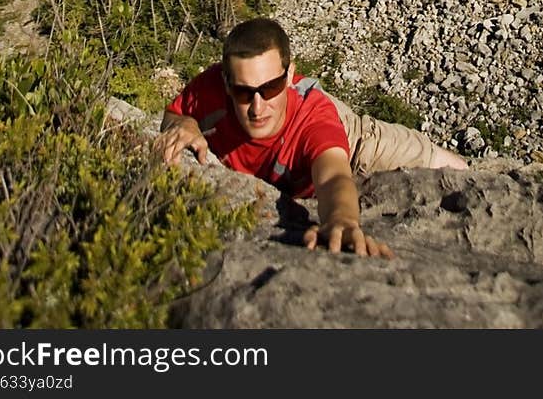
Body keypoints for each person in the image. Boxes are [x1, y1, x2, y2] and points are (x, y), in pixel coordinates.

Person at [158, 16, 467, 259]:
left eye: (270, 88)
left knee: (453, 169)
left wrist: (341, 221)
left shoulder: (314, 118)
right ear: (226, 83)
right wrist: (183, 123)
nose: (257, 106)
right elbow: (173, 116)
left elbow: (333, 177)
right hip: (290, 170)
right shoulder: (208, 90)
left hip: (354, 140)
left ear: (290, 76)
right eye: (243, 92)